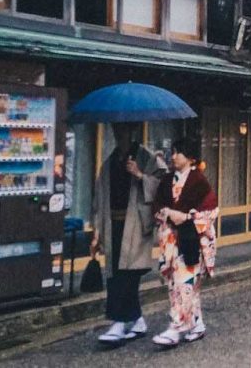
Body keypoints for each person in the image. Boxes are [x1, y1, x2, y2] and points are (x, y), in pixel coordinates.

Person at [90, 122, 167, 344]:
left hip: (135, 225)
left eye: (123, 130)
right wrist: (96, 231)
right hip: (112, 224)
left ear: (132, 131)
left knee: (128, 274)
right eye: (116, 131)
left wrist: (140, 174)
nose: (119, 135)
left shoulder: (147, 157)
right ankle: (137, 320)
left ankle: (119, 321)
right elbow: (99, 198)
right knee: (115, 273)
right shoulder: (110, 162)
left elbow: (163, 185)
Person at [152, 137, 218, 346]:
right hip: (172, 239)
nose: (173, 156)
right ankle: (196, 324)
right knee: (177, 284)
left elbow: (211, 211)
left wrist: (188, 217)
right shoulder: (166, 181)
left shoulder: (199, 182)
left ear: (190, 158)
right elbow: (157, 207)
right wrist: (168, 213)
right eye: (172, 152)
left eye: (177, 152)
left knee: (185, 284)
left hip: (191, 239)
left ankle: (176, 327)